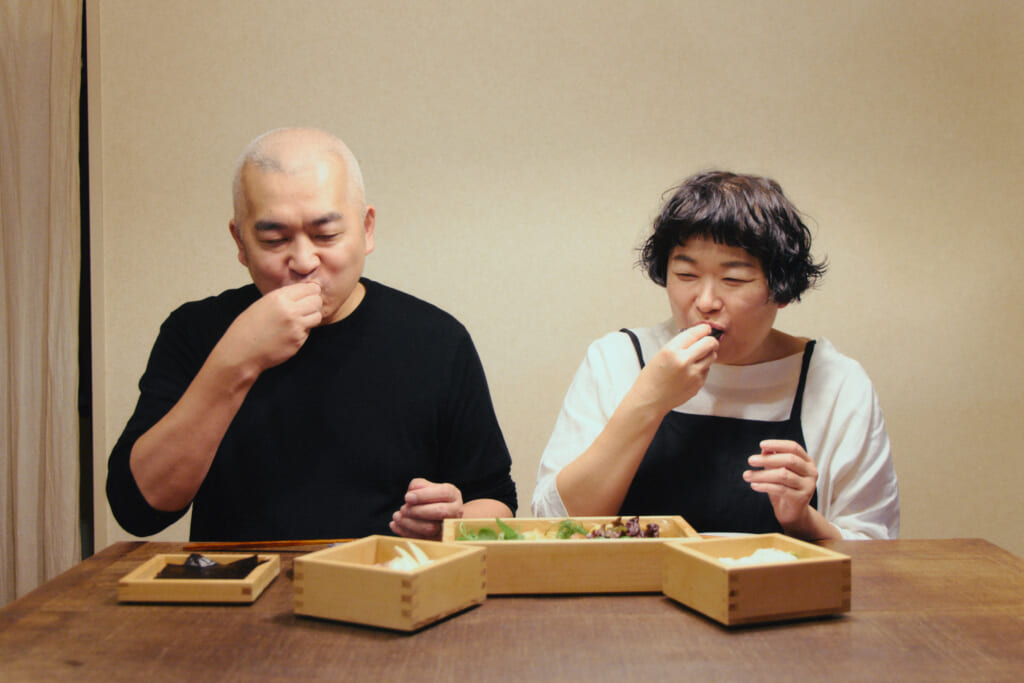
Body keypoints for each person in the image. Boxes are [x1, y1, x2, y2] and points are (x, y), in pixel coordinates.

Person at [107, 127, 517, 541]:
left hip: (389, 579)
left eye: (326, 235)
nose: (304, 261)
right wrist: (238, 359)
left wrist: (452, 525)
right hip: (238, 581)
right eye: (274, 239)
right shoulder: (195, 331)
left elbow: (496, 498)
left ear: (367, 229)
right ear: (240, 242)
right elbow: (138, 509)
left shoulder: (436, 341)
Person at [533, 171, 898, 540]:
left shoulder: (836, 383)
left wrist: (802, 519)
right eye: (686, 274)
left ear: (782, 290)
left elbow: (876, 548)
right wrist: (649, 399)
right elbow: (553, 526)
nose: (705, 302)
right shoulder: (616, 359)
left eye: (734, 280)